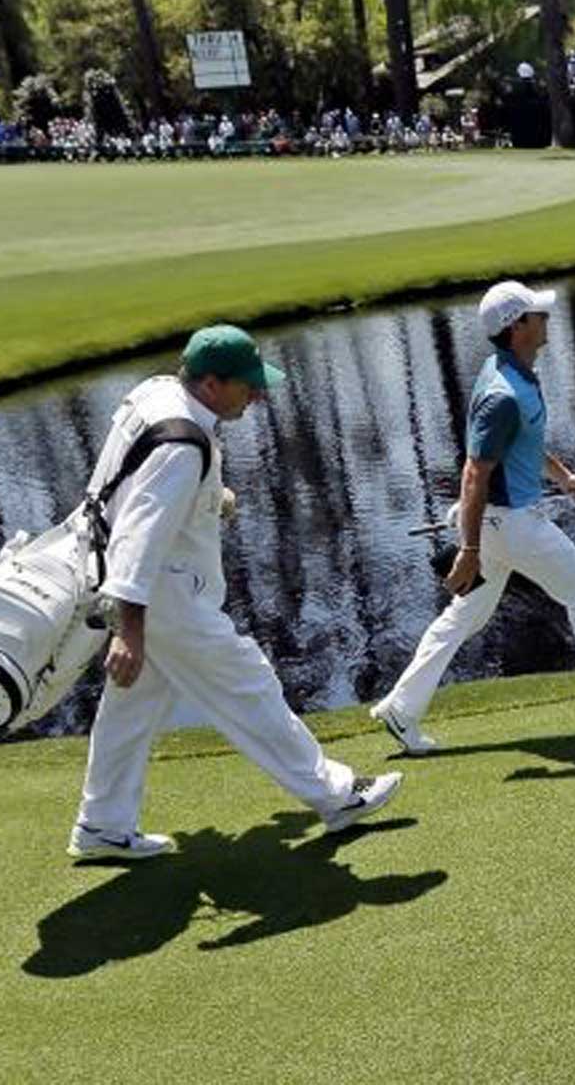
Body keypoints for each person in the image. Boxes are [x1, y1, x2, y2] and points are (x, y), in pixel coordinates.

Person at [69, 324, 402, 859]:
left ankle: (102, 825)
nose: (259, 394)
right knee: (249, 682)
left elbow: (129, 483)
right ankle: (337, 796)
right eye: (248, 385)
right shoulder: (184, 444)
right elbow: (140, 532)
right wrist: (128, 629)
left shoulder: (158, 393)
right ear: (211, 384)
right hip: (164, 597)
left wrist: (206, 497)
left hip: (142, 585)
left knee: (130, 708)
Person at [369, 280, 575, 753]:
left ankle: (400, 707)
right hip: (510, 525)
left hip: (500, 523)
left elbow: (524, 442)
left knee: (464, 616)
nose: (545, 318)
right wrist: (469, 550)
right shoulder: (503, 393)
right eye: (537, 313)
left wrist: (562, 476)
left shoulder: (512, 373)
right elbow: (475, 473)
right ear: (518, 327)